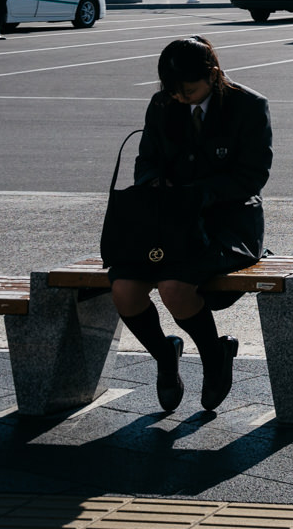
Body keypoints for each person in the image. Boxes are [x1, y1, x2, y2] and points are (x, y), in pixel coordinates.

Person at [111, 37, 272, 413]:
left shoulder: (249, 105)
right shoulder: (163, 103)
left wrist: (196, 194)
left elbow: (252, 176)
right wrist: (152, 182)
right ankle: (165, 356)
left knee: (173, 286)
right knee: (123, 287)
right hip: (169, 220)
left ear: (213, 75)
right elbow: (145, 160)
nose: (181, 98)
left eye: (189, 89)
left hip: (229, 221)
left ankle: (214, 356)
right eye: (173, 91)